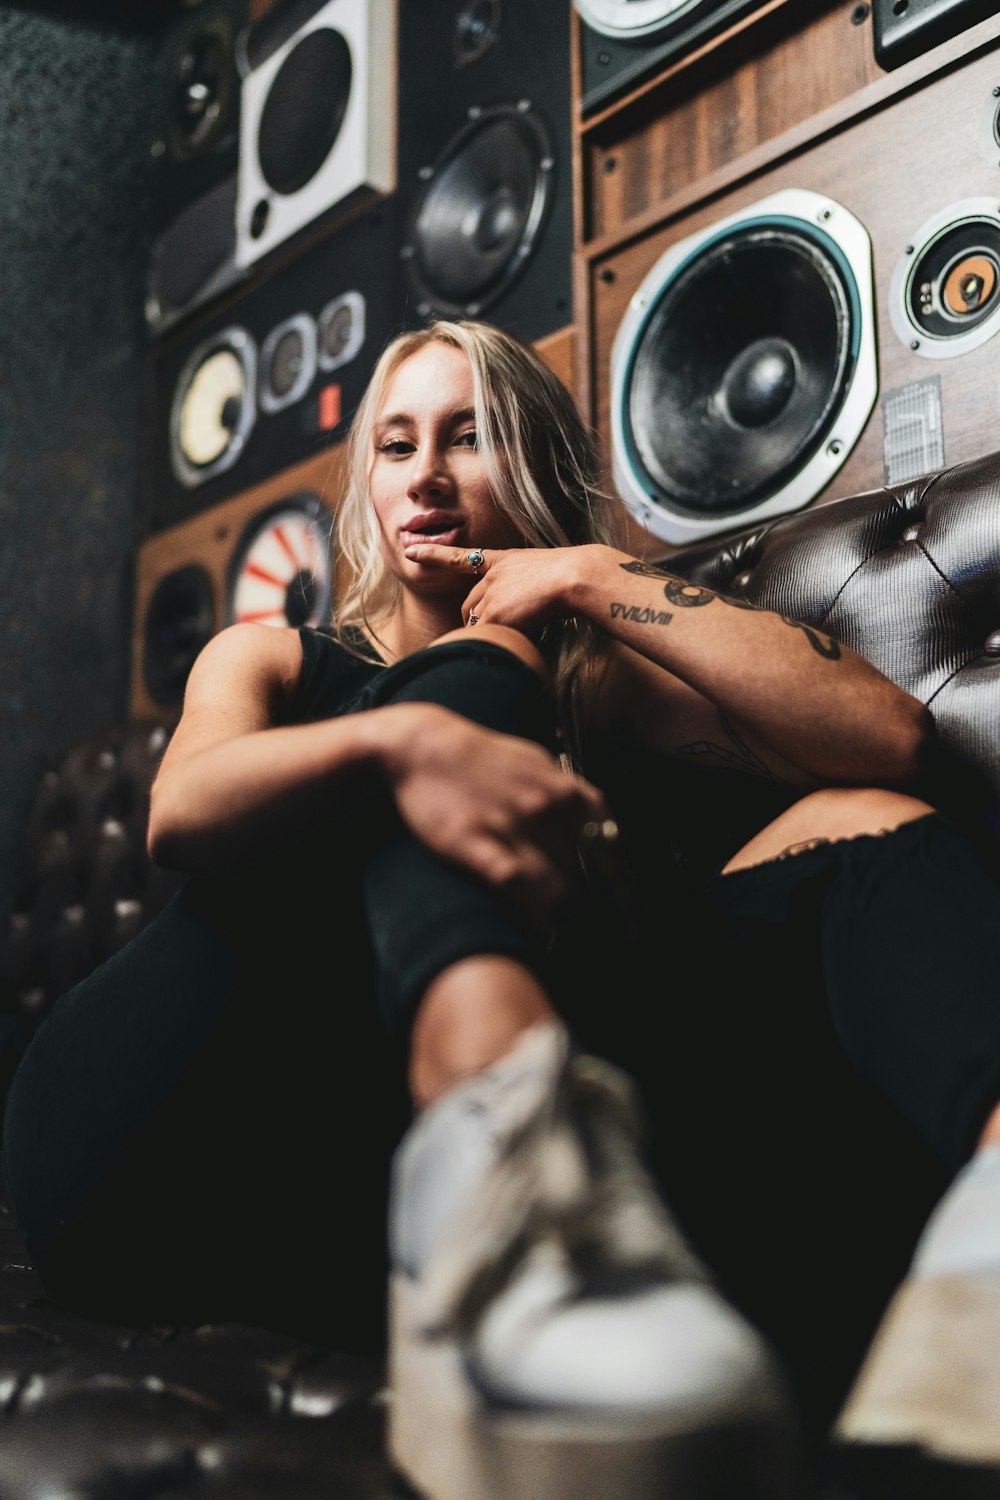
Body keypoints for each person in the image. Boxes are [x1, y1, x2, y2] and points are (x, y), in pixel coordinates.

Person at [2, 317, 999, 1500]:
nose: (424, 474)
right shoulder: (269, 660)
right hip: (148, 1127)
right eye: (395, 444)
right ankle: (497, 1115)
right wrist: (405, 745)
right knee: (484, 674)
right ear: (367, 484)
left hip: (349, 1199)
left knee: (860, 822)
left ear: (528, 468)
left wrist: (588, 572)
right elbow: (183, 813)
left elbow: (889, 741)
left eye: (469, 438)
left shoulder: (600, 684)